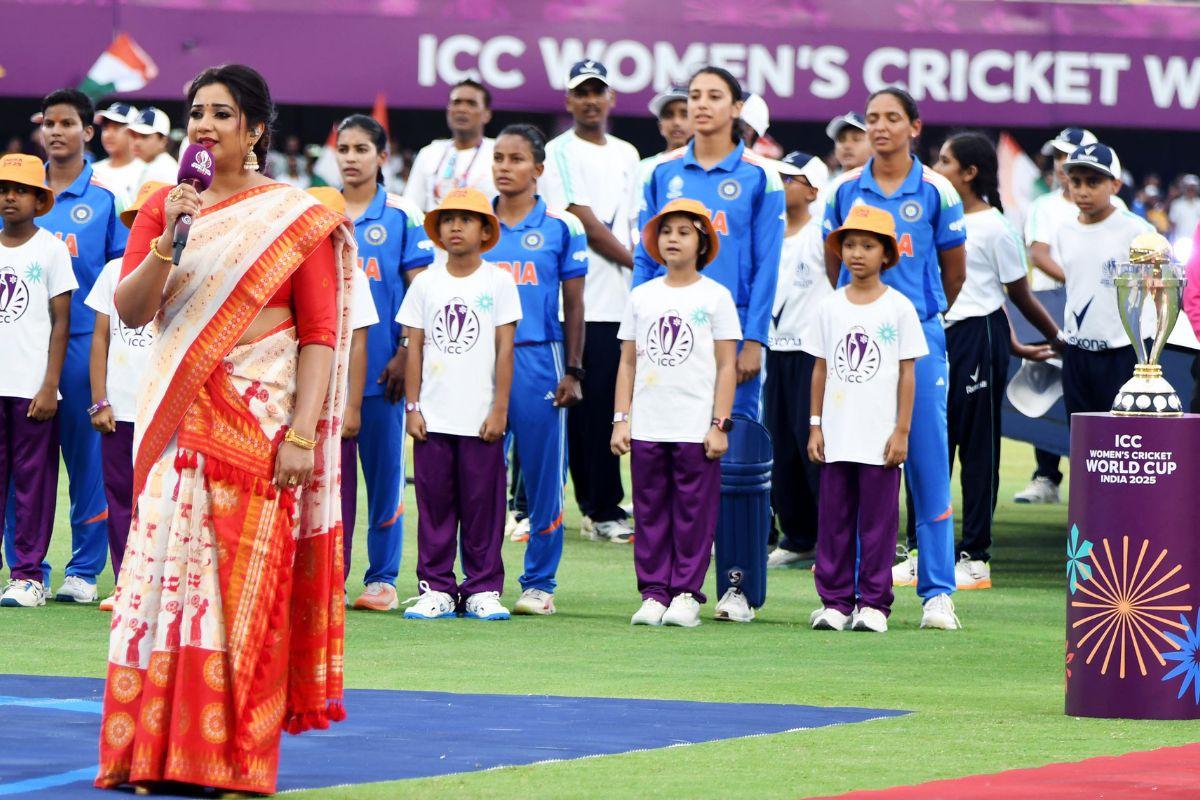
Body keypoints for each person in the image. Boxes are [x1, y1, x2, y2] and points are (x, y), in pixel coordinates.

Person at [95, 64, 352, 795]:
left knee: (241, 591)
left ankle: (227, 760)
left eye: (222, 114)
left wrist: (302, 433)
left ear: (255, 129)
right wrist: (170, 237)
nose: (204, 125)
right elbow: (134, 311)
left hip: (262, 427)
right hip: (180, 422)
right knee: (161, 586)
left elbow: (320, 334)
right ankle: (150, 756)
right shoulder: (163, 207)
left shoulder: (292, 215)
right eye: (196, 113)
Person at [634, 66, 784, 623]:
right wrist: (638, 326)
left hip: (729, 345)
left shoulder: (760, 178)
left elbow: (768, 263)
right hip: (667, 348)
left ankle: (737, 586)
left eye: (713, 97)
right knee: (667, 465)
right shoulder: (662, 175)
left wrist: (753, 340)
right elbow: (645, 260)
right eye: (694, 96)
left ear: (737, 107)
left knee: (733, 462)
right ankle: (666, 588)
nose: (700, 106)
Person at [823, 87, 966, 630]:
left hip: (918, 337)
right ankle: (858, 596)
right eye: (871, 119)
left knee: (927, 461)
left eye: (891, 119)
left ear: (914, 126)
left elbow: (954, 272)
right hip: (855, 339)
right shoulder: (844, 191)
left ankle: (936, 592)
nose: (879, 128)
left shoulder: (936, 190)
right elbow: (830, 261)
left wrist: (914, 319)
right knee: (858, 461)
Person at [933, 133, 1064, 591]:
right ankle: (922, 553)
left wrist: (1052, 338)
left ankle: (975, 556)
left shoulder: (994, 226)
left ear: (969, 173)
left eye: (946, 160)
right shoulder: (934, 215)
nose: (938, 166)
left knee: (976, 447)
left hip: (976, 339)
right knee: (931, 446)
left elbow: (1013, 296)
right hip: (935, 339)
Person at [14, 89, 127, 604]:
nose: (55, 131)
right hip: (18, 348)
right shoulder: (14, 190)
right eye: (48, 123)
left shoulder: (103, 197)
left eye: (67, 123)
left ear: (88, 131)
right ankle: (23, 565)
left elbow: (119, 280)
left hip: (82, 345)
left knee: (85, 461)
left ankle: (83, 570)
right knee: (20, 463)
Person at [612, 199, 738, 628]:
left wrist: (719, 424)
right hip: (649, 424)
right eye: (667, 232)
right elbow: (628, 362)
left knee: (693, 513)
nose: (673, 240)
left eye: (684, 232)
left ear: (702, 242)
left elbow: (727, 366)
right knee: (649, 511)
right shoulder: (642, 296)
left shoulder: (716, 297)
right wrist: (621, 419)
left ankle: (686, 592)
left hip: (694, 427)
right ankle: (652, 592)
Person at [397, 187, 521, 621]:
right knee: (434, 506)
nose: (455, 226)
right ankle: (437, 589)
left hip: (480, 417)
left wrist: (499, 408)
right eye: (448, 219)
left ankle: (483, 588)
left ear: (485, 230)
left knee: (483, 507)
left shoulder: (499, 282)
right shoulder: (426, 282)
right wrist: (412, 407)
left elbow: (505, 350)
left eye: (466, 219)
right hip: (434, 416)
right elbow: (414, 348)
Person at [806, 205, 925, 633]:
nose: (857, 253)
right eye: (850, 245)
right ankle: (835, 602)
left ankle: (874, 604)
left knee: (878, 525)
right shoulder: (829, 307)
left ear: (887, 254)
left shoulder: (899, 308)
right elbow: (820, 368)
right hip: (837, 434)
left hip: (879, 437)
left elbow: (908, 374)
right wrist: (815, 424)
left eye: (868, 245)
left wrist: (901, 431)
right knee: (834, 521)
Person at [335, 114, 434, 612]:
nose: (350, 158)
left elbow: (423, 292)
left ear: (382, 157)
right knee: (331, 487)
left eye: (361, 149)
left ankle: (383, 579)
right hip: (325, 377)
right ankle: (330, 575)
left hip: (381, 376)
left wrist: (403, 353)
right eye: (343, 149)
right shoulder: (319, 210)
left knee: (384, 480)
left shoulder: (401, 214)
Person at [488, 124, 587, 615]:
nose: (505, 167)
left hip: (537, 357)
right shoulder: (472, 221)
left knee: (545, 474)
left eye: (516, 159)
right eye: (499, 158)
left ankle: (539, 584)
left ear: (539, 169)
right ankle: (483, 581)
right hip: (477, 359)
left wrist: (573, 370)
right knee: (483, 470)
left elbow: (574, 304)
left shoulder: (562, 227)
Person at [542, 59, 641, 543]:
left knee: (610, 406)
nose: (590, 100)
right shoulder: (559, 151)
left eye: (598, 91)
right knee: (584, 410)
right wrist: (636, 262)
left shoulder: (627, 153)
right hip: (580, 299)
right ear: (568, 101)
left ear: (611, 99)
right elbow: (581, 218)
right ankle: (596, 508)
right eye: (581, 92)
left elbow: (634, 218)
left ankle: (607, 503)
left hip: (622, 299)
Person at [84, 180, 169, 612]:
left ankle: (163, 586)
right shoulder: (112, 271)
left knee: (165, 500)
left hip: (167, 409)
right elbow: (99, 340)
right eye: (139, 222)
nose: (148, 230)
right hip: (121, 406)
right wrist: (99, 400)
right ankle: (125, 582)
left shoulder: (187, 270)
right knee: (120, 496)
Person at [0, 154, 75, 609]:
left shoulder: (50, 249)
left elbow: (61, 322)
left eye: (21, 189)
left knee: (33, 482)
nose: (10, 196)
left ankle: (28, 577)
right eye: (4, 188)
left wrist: (50, 386)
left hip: (31, 388)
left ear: (38, 198)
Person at [1013, 127, 1097, 506]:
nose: (1061, 164)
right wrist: (1078, 279)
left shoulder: (1118, 208)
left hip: (1099, 311)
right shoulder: (1044, 206)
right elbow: (1039, 254)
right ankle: (1046, 475)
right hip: (1053, 305)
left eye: (1068, 155)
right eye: (1058, 157)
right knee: (1046, 388)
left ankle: (1095, 475)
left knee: (1092, 393)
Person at [306, 186, 381, 595]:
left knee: (337, 489)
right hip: (292, 399)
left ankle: (334, 576)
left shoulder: (353, 275)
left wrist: (352, 406)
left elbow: (360, 344)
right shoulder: (286, 267)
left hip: (334, 400)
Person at [1054, 143, 1156, 417]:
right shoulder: (1064, 230)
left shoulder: (1138, 232)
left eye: (1094, 182)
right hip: (1077, 352)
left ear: (1115, 185)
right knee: (1081, 441)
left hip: (1124, 353)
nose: (1083, 190)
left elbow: (1158, 292)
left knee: (1123, 444)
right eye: (1076, 181)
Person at [764, 151, 830, 570]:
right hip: (773, 350)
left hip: (811, 353)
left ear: (812, 190)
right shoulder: (768, 232)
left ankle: (829, 538)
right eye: (780, 177)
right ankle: (798, 535)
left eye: (792, 178)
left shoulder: (821, 234)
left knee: (814, 448)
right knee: (781, 448)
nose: (783, 184)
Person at [404, 79, 496, 214]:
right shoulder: (429, 153)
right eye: (456, 102)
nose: (462, 109)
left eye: (471, 104)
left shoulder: (499, 153)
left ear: (487, 114)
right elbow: (412, 209)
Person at [90, 102, 141, 204]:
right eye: (105, 128)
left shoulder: (146, 170)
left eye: (116, 128)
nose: (108, 135)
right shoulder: (92, 171)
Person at [127, 106, 178, 186]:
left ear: (163, 141)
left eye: (144, 136)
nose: (137, 142)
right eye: (134, 135)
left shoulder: (166, 171)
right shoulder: (145, 164)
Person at [1169, 174, 1200, 239]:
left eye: (1193, 188)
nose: (1191, 190)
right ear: (1184, 189)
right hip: (1181, 241)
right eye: (1188, 188)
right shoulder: (1177, 204)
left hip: (1197, 242)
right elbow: (1172, 224)